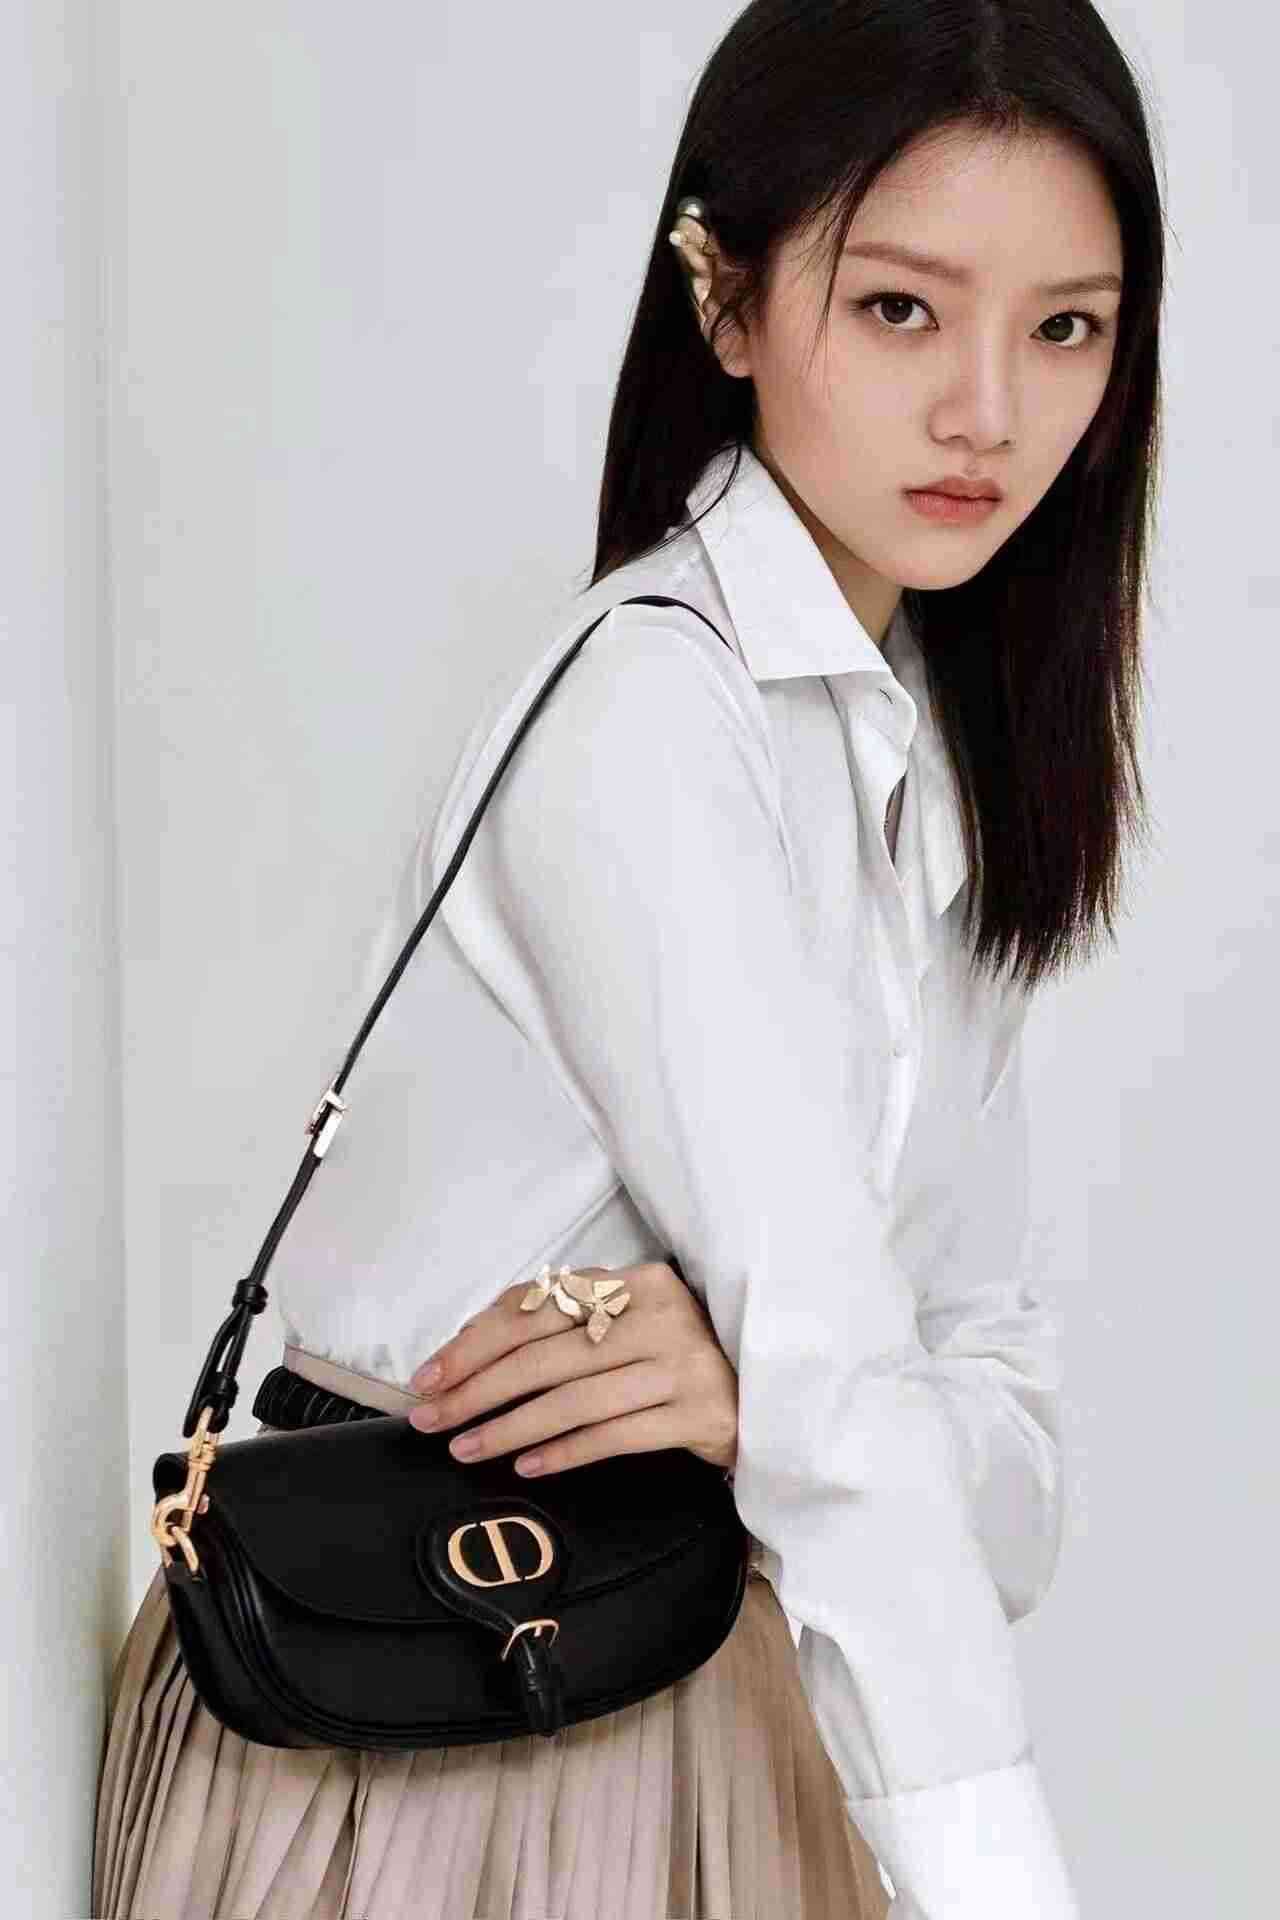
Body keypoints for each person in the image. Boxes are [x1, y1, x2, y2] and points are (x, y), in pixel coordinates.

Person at [92, 0, 1164, 1914]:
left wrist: (766, 1396)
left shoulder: (949, 763)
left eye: (1066, 327)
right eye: (902, 309)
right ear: (725, 298)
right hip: (432, 1711)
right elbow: (862, 1397)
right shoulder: (651, 718)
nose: (991, 411)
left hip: (710, 1680)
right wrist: (815, 1397)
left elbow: (999, 1439)